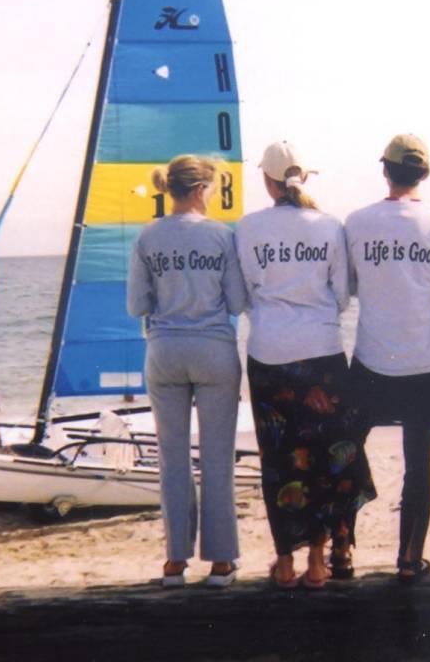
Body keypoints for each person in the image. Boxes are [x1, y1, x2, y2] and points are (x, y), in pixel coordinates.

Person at [235, 141, 376, 589]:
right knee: (324, 456)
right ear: (303, 178)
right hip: (322, 350)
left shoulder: (247, 227)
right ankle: (319, 557)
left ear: (267, 180)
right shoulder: (329, 225)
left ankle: (285, 561)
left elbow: (241, 298)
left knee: (279, 458)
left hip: (269, 353)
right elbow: (341, 295)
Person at [343, 134, 430, 583]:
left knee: (349, 451)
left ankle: (343, 551)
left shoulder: (357, 221)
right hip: (427, 362)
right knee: (419, 461)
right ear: (424, 174)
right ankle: (410, 558)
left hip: (372, 361)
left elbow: (351, 286)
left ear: (384, 170)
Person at [126, 154, 246, 589]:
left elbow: (136, 305)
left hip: (165, 352)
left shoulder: (147, 237)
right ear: (200, 190)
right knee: (217, 460)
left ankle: (175, 560)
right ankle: (220, 563)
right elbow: (236, 303)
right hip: (214, 350)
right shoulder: (221, 236)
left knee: (172, 458)